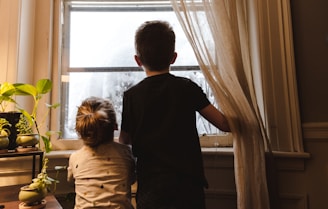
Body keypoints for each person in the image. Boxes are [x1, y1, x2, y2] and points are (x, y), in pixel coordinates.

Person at [119, 20, 231, 209]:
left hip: (151, 188)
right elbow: (223, 124)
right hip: (187, 186)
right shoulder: (187, 87)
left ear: (138, 60)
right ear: (174, 57)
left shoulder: (131, 96)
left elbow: (124, 140)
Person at [67, 96, 136, 209]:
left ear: (80, 130)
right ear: (115, 126)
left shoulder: (75, 158)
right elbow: (132, 179)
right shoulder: (126, 154)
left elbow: (71, 181)